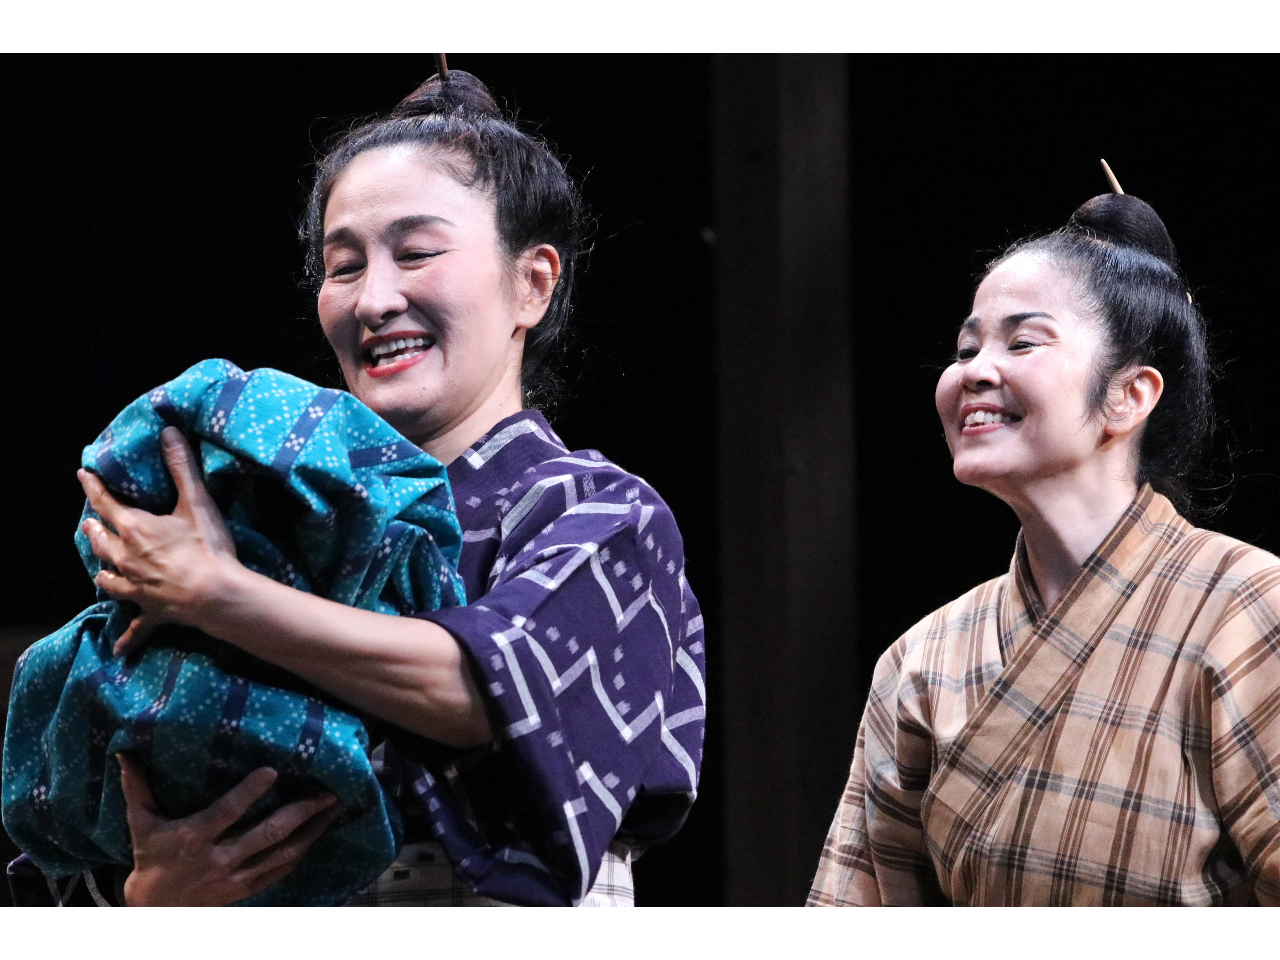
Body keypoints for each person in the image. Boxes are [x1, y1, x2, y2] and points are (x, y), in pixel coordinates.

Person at [68, 69, 706, 907]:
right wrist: (149, 901)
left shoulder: (600, 512)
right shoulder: (269, 522)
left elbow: (484, 693)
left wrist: (220, 596)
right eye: (343, 266)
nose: (373, 298)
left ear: (532, 283)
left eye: (417, 253)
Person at [808, 184, 1280, 906]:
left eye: (1022, 342)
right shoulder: (922, 659)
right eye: (967, 348)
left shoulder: (1247, 608)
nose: (974, 370)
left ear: (1128, 396)